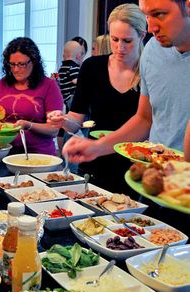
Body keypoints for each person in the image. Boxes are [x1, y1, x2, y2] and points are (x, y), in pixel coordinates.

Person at [62, 0, 190, 166]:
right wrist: (97, 147)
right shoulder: (152, 51)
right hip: (156, 173)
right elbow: (144, 119)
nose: (151, 28)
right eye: (147, 15)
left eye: (159, 14)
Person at [48, 3, 146, 192]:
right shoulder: (92, 67)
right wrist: (62, 120)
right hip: (97, 160)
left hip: (137, 165)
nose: (119, 48)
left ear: (142, 36)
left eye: (127, 41)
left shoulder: (149, 70)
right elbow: (77, 120)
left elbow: (147, 122)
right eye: (115, 39)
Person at [0, 37, 63, 156]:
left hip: (38, 156)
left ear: (33, 62)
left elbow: (53, 130)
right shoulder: (0, 86)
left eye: (22, 64)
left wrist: (28, 125)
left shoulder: (49, 86)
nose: (16, 69)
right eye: (12, 64)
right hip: (3, 153)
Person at [58, 40, 83, 112]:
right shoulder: (74, 67)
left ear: (64, 56)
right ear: (78, 56)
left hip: (64, 97)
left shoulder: (62, 67)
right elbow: (75, 81)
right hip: (71, 96)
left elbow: (56, 76)